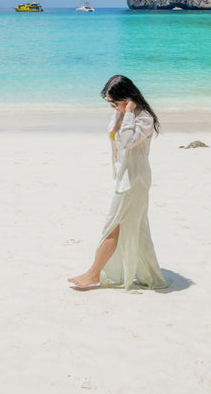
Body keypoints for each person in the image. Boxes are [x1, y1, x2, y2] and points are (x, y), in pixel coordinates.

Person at [68, 74, 169, 291]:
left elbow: (126, 141)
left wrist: (130, 113)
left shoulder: (143, 119)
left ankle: (94, 273)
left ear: (128, 98)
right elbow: (113, 137)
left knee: (113, 226)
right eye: (109, 103)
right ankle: (145, 273)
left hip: (135, 181)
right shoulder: (121, 113)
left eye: (115, 102)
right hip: (124, 178)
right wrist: (121, 112)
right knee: (134, 228)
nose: (113, 107)